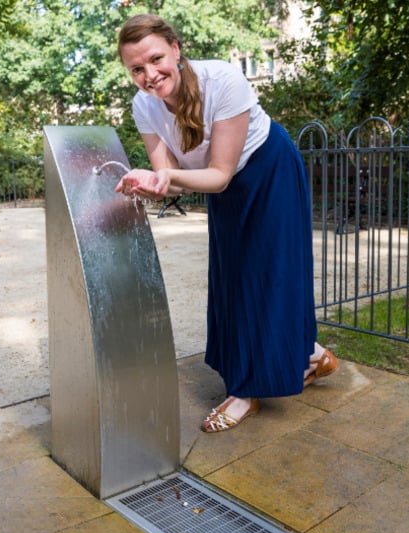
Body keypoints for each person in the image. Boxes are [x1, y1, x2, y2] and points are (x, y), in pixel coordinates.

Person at [114, 13, 338, 433]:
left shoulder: (224, 81)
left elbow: (218, 174)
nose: (149, 75)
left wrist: (165, 177)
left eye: (156, 59)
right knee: (232, 278)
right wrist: (151, 182)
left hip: (267, 170)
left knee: (268, 275)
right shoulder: (144, 105)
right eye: (136, 69)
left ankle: (244, 392)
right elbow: (174, 184)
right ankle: (309, 354)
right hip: (223, 184)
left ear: (176, 49)